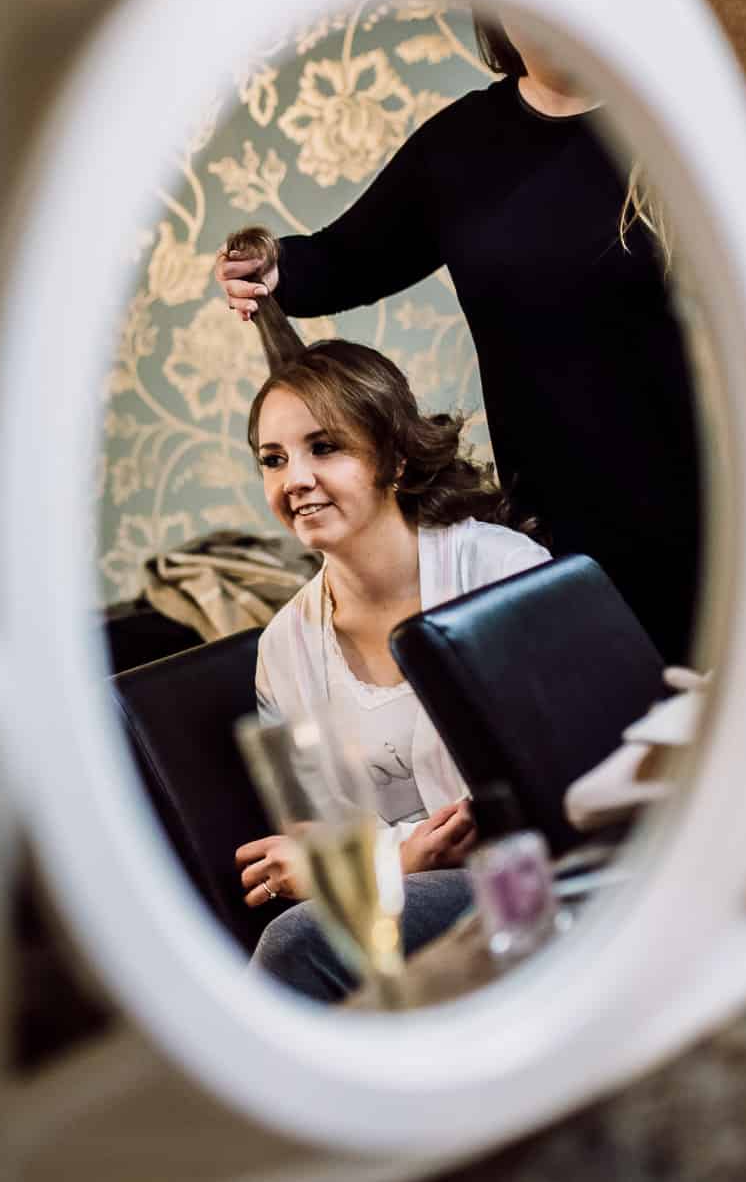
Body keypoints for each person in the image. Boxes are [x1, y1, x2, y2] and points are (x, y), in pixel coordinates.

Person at [215, 16, 702, 666]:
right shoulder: (460, 146)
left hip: (702, 502)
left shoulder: (672, 128)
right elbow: (344, 256)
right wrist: (274, 269)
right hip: (553, 520)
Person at [235, 336, 550, 1001]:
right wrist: (397, 860)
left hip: (529, 871)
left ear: (396, 458)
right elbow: (308, 827)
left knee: (296, 946)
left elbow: (527, 794)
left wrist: (375, 863)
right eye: (272, 459)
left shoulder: (500, 570)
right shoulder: (281, 646)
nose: (294, 478)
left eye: (325, 447)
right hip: (403, 894)